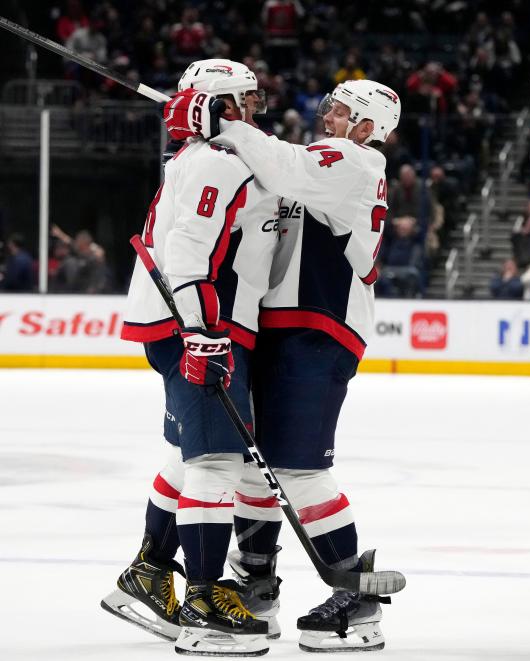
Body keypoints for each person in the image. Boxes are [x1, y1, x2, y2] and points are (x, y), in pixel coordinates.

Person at [163, 77, 401, 652]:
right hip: (281, 327)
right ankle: (257, 583)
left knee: (298, 469)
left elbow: (286, 165)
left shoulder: (355, 161)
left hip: (319, 327)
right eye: (330, 108)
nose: (329, 118)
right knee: (252, 467)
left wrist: (225, 121)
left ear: (369, 128)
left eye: (343, 112)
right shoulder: (323, 159)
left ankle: (358, 599)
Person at [102, 59, 278, 656]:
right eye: (245, 101)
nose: (256, 109)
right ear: (223, 105)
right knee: (215, 463)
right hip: (191, 325)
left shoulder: (214, 156)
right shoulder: (212, 162)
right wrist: (202, 331)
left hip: (185, 322)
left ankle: (149, 573)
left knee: (190, 454)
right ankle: (202, 600)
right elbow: (188, 252)